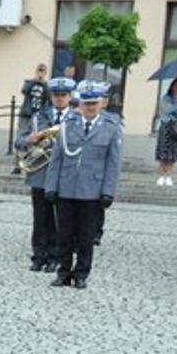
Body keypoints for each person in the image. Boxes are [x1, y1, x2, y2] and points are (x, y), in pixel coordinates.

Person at [45, 82, 120, 289]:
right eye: (87, 104)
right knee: (64, 235)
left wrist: (108, 191)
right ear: (80, 105)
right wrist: (51, 186)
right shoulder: (68, 126)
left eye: (94, 103)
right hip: (67, 187)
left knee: (86, 236)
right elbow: (56, 159)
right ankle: (63, 272)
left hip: (92, 191)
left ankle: (81, 274)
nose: (90, 107)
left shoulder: (110, 128)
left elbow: (113, 164)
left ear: (101, 104)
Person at [18, 77, 74, 272]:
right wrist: (29, 139)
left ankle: (55, 256)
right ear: (51, 96)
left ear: (70, 97)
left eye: (63, 95)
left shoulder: (74, 119)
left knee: (60, 219)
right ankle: (39, 256)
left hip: (63, 176)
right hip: (40, 174)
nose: (60, 98)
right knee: (40, 218)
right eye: (56, 95)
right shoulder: (37, 118)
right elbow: (18, 141)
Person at [154, 77, 177, 186]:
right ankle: (161, 175)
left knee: (173, 153)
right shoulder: (166, 98)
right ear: (172, 86)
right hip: (166, 127)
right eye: (176, 86)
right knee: (163, 152)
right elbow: (166, 110)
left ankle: (168, 175)